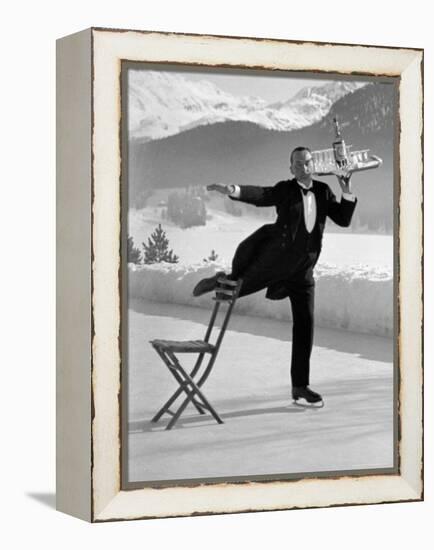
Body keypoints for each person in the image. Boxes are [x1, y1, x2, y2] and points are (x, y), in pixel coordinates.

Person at [193, 146, 357, 406]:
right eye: (297, 164)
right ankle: (221, 279)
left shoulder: (324, 191)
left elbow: (344, 220)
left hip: (303, 271)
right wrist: (234, 190)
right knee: (238, 287)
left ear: (313, 164)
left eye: (307, 163)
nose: (303, 168)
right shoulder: (286, 189)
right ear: (291, 168)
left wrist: (346, 189)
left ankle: (300, 386)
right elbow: (262, 195)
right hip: (276, 261)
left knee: (305, 326)